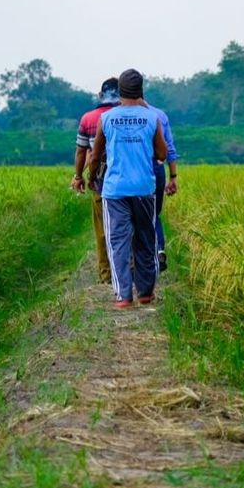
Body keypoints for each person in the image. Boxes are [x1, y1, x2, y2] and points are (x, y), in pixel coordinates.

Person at [88, 68, 167, 308]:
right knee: (146, 239)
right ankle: (145, 292)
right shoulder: (152, 118)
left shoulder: (107, 119)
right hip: (144, 188)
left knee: (118, 242)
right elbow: (162, 153)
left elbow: (96, 155)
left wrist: (92, 177)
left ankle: (123, 296)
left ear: (120, 91)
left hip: (115, 190)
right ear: (141, 90)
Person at [72, 77, 120, 284]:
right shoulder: (125, 116)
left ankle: (106, 274)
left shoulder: (88, 119)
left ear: (101, 95)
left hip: (100, 180)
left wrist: (78, 177)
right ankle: (129, 269)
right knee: (128, 228)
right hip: (126, 180)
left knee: (102, 230)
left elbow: (82, 152)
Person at [137, 97, 178, 271]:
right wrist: (173, 176)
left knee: (134, 214)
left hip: (137, 168)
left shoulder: (120, 116)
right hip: (158, 168)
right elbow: (169, 148)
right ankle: (159, 249)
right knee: (154, 213)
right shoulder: (159, 114)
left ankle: (143, 257)